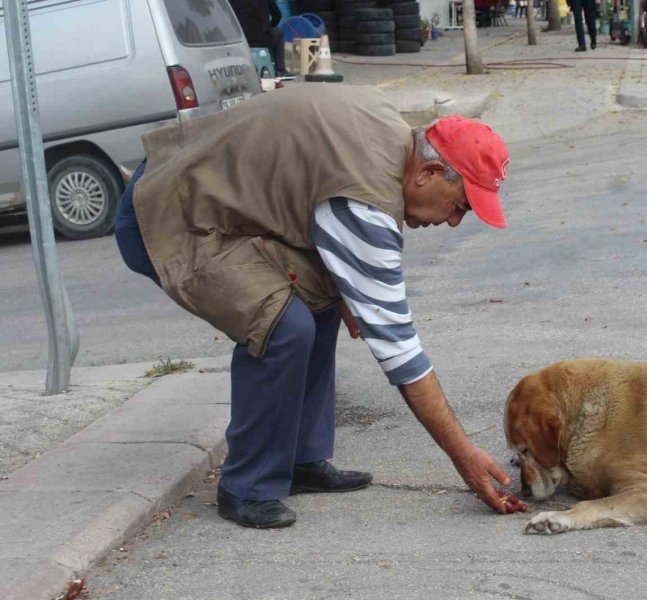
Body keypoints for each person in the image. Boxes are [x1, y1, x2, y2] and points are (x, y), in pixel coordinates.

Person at [114, 84, 522, 529]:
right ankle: (246, 486)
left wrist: (348, 291)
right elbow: (400, 354)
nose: (454, 221)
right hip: (169, 214)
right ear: (428, 171)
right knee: (283, 326)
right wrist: (463, 455)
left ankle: (299, 460)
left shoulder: (393, 134)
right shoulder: (364, 200)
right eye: (460, 206)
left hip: (221, 204)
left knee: (322, 298)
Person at [228, 0, 296, 77]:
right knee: (279, 32)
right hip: (263, 39)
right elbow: (277, 15)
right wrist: (269, 27)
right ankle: (280, 69)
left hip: (241, 41)